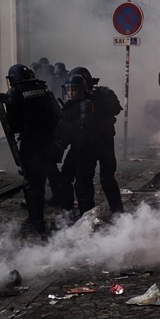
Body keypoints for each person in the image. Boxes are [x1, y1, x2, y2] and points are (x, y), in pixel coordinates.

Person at [4, 63, 61, 236]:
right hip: (49, 141)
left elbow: (12, 124)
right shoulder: (44, 88)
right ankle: (51, 216)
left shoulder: (15, 93)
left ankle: (36, 222)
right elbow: (57, 113)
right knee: (43, 178)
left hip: (31, 143)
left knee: (31, 182)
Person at [69, 67, 124, 217]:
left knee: (95, 180)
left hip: (98, 144)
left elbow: (116, 109)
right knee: (87, 180)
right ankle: (94, 215)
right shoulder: (81, 98)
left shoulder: (101, 94)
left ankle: (110, 214)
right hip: (95, 144)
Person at [52, 74, 95, 216]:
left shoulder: (86, 104)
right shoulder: (70, 106)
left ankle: (87, 216)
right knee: (64, 181)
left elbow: (81, 126)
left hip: (86, 151)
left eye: (74, 90)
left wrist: (65, 125)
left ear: (81, 90)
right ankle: (67, 214)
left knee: (82, 185)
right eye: (69, 90)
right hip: (75, 150)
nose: (70, 93)